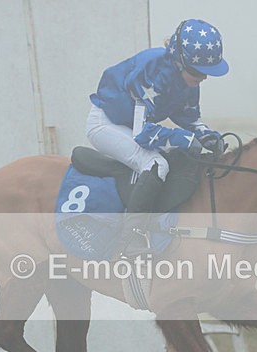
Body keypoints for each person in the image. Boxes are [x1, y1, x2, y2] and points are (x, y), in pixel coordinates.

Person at [86, 18, 230, 257]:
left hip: (129, 125)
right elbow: (142, 134)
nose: (203, 78)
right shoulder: (152, 70)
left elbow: (189, 117)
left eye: (207, 73)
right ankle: (130, 239)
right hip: (106, 123)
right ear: (179, 61)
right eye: (197, 72)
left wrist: (208, 136)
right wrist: (186, 139)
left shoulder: (188, 79)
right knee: (156, 164)